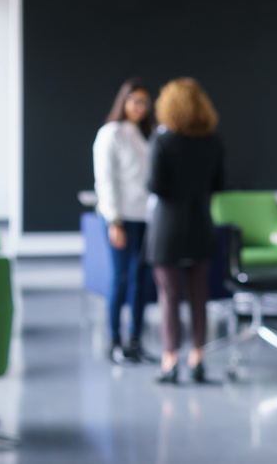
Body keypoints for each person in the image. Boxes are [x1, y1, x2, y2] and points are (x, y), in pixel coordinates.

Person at [146, 78, 225, 383]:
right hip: (200, 225)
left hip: (167, 230)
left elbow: (154, 185)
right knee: (198, 296)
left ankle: (169, 361)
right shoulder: (213, 142)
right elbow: (219, 184)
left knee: (169, 296)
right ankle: (197, 357)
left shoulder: (163, 141)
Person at [92, 77, 156, 364]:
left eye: (145, 102)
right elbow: (105, 180)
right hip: (122, 217)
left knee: (141, 281)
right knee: (120, 279)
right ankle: (114, 341)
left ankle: (135, 340)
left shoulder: (149, 135)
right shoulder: (111, 133)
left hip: (148, 217)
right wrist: (114, 220)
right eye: (135, 101)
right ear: (124, 102)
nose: (140, 107)